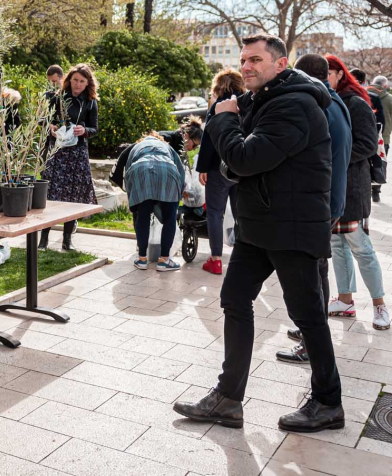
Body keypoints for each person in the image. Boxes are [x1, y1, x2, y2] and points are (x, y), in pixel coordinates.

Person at [174, 34, 343, 433]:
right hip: (260, 224)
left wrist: (227, 121)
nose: (246, 66)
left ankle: (328, 402)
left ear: (280, 65)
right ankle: (228, 399)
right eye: (243, 59)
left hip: (292, 225)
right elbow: (232, 164)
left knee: (307, 315)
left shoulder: (294, 105)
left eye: (255, 60)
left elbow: (245, 158)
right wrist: (235, 143)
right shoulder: (262, 101)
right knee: (234, 299)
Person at [278, 53, 352, 363]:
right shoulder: (336, 101)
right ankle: (311, 331)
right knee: (315, 271)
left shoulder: (318, 105)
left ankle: (312, 343)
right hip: (331, 200)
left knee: (309, 276)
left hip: (318, 203)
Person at [324, 55, 391, 330]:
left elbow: (367, 145)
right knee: (338, 247)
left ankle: (380, 305)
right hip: (332, 188)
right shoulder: (328, 99)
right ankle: (345, 300)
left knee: (362, 248)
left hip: (352, 186)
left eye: (326, 73)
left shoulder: (355, 101)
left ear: (340, 73)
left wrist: (331, 158)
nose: (321, 78)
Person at [38, 64, 99, 251]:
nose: (78, 84)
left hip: (78, 152)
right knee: (50, 194)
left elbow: (94, 128)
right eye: (75, 80)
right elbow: (41, 119)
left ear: (87, 82)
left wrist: (84, 130)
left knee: (73, 196)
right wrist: (50, 127)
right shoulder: (55, 97)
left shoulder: (90, 102)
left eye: (82, 81)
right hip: (57, 150)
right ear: (69, 80)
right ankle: (44, 239)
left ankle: (67, 240)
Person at [194, 68, 246, 275]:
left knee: (215, 213)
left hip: (218, 168)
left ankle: (216, 259)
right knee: (242, 213)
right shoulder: (246, 104)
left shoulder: (217, 106)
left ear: (218, 86)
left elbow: (208, 139)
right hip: (243, 167)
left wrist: (202, 168)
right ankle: (243, 257)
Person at [121, 133, 186, 272]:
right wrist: (176, 197)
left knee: (142, 216)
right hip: (168, 170)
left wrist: (134, 200)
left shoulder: (137, 147)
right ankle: (164, 260)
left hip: (140, 170)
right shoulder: (166, 147)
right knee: (169, 218)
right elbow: (180, 170)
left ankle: (142, 259)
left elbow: (127, 174)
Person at [368, 76, 392, 203]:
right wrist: (387, 133)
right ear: (385, 86)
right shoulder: (390, 99)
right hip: (383, 138)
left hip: (365, 135)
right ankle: (376, 192)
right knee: (380, 164)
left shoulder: (363, 93)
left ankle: (366, 188)